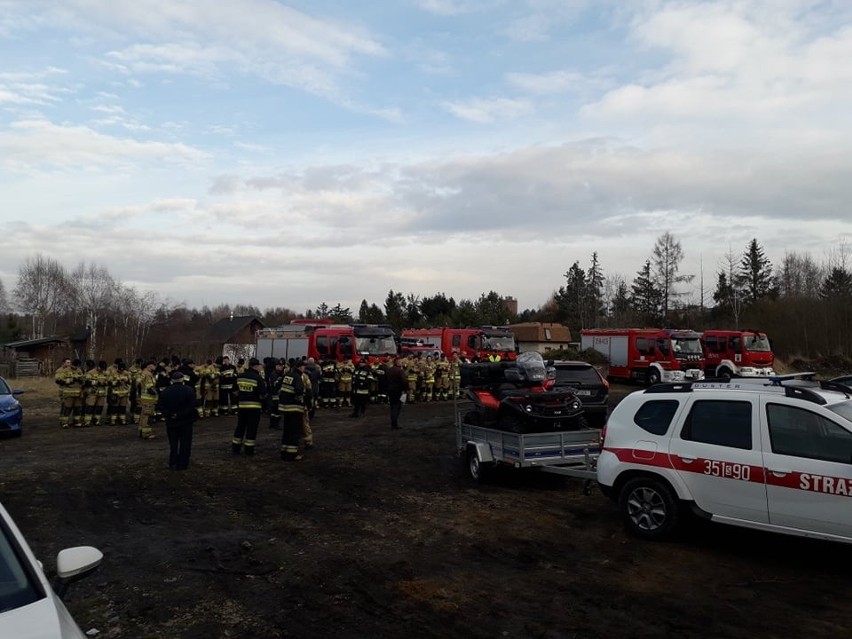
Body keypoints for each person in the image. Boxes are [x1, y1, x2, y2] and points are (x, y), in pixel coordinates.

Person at [156, 370, 198, 470]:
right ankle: (183, 463)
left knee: (173, 444)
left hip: (171, 422)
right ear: (182, 380)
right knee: (185, 444)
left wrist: (171, 415)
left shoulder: (165, 392)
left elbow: (161, 406)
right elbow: (191, 406)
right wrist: (180, 414)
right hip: (186, 422)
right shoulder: (189, 390)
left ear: (172, 381)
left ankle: (173, 462)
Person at [232, 357, 267, 456]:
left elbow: (234, 391)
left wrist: (240, 399)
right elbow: (263, 394)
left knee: (240, 427)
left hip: (242, 406)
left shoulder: (240, 376)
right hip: (254, 407)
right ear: (255, 366)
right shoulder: (258, 378)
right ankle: (249, 450)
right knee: (251, 429)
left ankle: (235, 448)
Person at [278, 360, 307, 461]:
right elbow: (299, 391)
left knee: (287, 431)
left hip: (285, 408)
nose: (304, 369)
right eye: (303, 367)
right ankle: (292, 454)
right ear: (300, 367)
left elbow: (280, 387)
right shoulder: (298, 377)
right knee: (294, 432)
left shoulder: (287, 375)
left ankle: (284, 451)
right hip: (295, 409)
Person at [386, 357, 409, 430]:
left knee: (392, 407)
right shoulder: (400, 371)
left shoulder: (389, 370)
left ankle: (393, 423)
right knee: (397, 407)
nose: (401, 363)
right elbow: (404, 381)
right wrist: (405, 390)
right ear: (397, 363)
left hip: (390, 390)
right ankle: (394, 424)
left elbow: (385, 380)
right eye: (400, 362)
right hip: (398, 391)